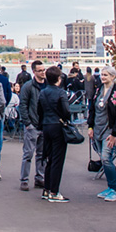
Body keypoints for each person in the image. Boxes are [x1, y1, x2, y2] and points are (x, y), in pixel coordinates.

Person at [88, 68, 116, 201]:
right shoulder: (98, 90)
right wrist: (90, 126)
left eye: (106, 75)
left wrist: (115, 133)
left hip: (109, 130)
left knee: (106, 158)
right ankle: (109, 187)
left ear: (113, 76)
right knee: (103, 157)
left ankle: (114, 189)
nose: (103, 77)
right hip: (97, 128)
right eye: (102, 75)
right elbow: (91, 108)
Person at [36, 68, 72, 203]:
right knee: (58, 159)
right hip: (58, 126)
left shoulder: (43, 92)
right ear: (59, 79)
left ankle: (47, 189)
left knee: (49, 157)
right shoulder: (61, 93)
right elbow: (67, 111)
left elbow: (39, 110)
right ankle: (54, 191)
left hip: (46, 125)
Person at [18, 60, 46, 191]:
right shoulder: (28, 87)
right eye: (40, 70)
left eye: (43, 70)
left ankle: (40, 178)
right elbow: (22, 105)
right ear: (34, 72)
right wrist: (27, 123)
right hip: (33, 124)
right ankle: (24, 179)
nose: (43, 72)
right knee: (28, 154)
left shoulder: (47, 85)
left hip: (44, 124)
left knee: (42, 154)